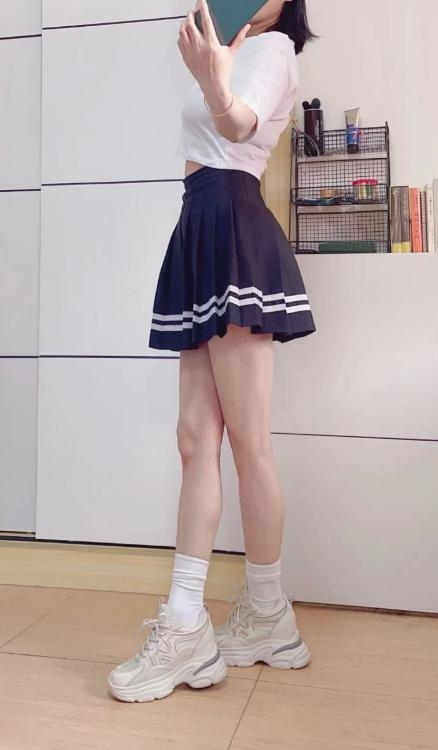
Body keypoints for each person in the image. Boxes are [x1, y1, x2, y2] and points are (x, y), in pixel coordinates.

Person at [108, 0, 316, 703]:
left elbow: (239, 125)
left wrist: (213, 83)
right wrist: (212, 69)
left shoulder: (274, 50)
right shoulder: (232, 45)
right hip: (199, 219)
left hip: (231, 222)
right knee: (195, 439)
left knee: (249, 444)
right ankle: (188, 624)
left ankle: (267, 613)